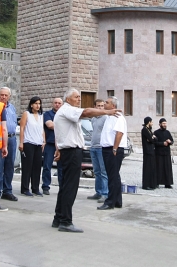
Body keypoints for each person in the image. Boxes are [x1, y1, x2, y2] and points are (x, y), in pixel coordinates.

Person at [52, 88, 120, 233]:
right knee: (70, 187)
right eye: (76, 97)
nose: (79, 99)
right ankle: (65, 221)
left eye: (79, 97)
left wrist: (58, 148)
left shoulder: (65, 111)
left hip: (68, 151)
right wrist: (106, 112)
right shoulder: (68, 109)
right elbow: (86, 112)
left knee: (65, 187)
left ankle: (58, 218)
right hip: (71, 152)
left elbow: (61, 132)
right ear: (68, 99)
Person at [97, 96, 128, 210]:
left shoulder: (118, 117)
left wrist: (115, 148)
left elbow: (119, 133)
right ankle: (117, 200)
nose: (104, 104)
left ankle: (110, 202)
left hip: (113, 149)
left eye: (107, 102)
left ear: (113, 105)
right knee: (114, 175)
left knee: (112, 176)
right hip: (107, 148)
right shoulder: (109, 116)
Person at [0, 87, 19, 202]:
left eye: (6, 95)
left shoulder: (12, 108)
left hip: (12, 138)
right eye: (2, 95)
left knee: (10, 166)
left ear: (9, 96)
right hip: (0, 138)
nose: (4, 97)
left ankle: (7, 191)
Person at [20, 96, 45, 196]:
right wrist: (21, 142)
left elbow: (42, 129)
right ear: (31, 104)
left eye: (39, 103)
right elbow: (22, 128)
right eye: (36, 103)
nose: (38, 105)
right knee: (27, 166)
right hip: (28, 142)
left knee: (37, 167)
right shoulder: (27, 114)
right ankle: (25, 188)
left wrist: (44, 141)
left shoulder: (41, 115)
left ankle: (35, 188)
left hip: (38, 143)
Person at [87, 99, 108, 202]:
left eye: (102, 106)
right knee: (96, 171)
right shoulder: (93, 119)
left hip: (101, 147)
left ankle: (105, 193)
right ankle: (98, 192)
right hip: (93, 147)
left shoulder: (105, 118)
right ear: (95, 107)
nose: (100, 108)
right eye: (98, 106)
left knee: (103, 171)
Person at [41, 97, 62, 195]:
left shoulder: (64, 114)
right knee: (47, 166)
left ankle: (62, 187)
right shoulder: (47, 114)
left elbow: (53, 125)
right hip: (50, 144)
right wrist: (63, 126)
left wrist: (55, 125)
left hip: (61, 145)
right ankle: (45, 186)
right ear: (52, 104)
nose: (57, 104)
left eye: (59, 103)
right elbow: (49, 125)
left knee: (61, 168)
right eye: (55, 103)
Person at [154, 118, 174, 188]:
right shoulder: (156, 132)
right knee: (159, 168)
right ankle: (157, 183)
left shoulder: (168, 132)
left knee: (167, 169)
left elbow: (172, 141)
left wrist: (170, 142)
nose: (165, 125)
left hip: (166, 153)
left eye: (165, 123)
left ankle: (167, 183)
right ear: (160, 124)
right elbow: (154, 143)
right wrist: (163, 143)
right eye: (163, 123)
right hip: (159, 153)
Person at [141, 117, 158, 190]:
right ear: (148, 122)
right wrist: (152, 138)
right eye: (151, 122)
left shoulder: (149, 130)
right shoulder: (144, 130)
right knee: (147, 167)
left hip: (151, 150)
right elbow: (151, 139)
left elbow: (155, 139)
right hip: (147, 151)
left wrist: (153, 138)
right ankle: (146, 184)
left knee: (152, 167)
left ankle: (152, 183)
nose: (152, 123)